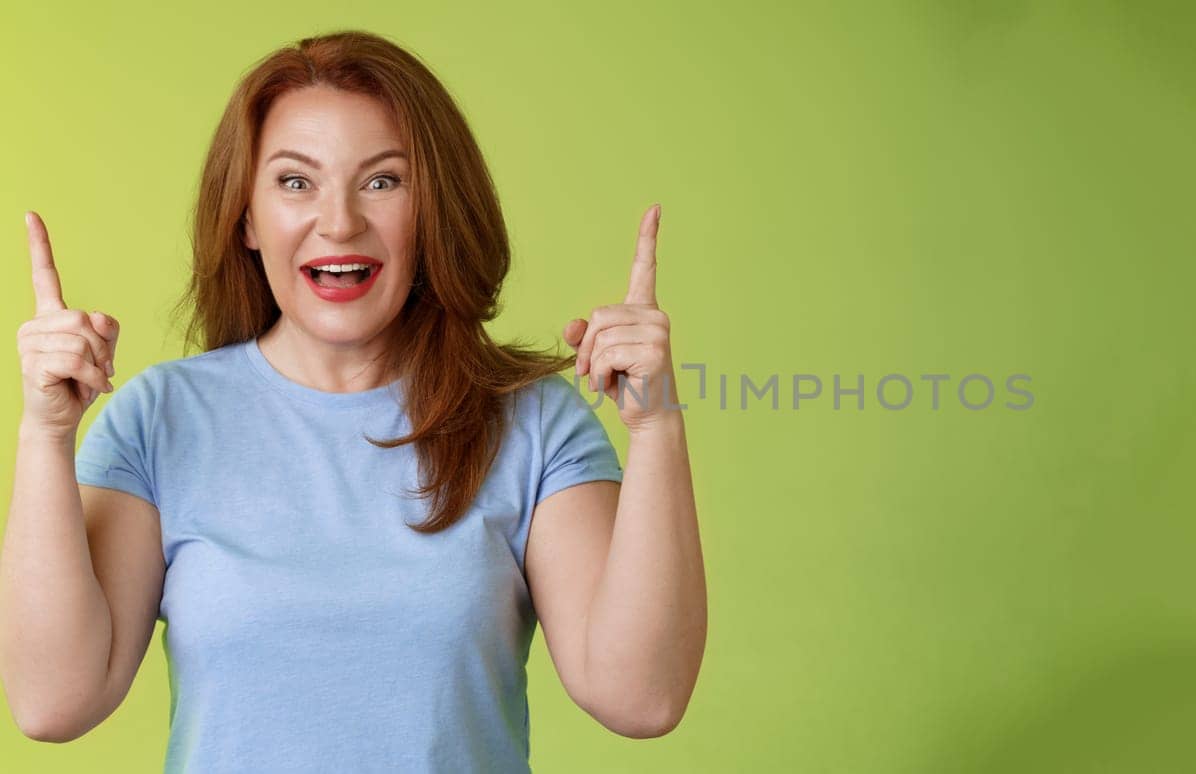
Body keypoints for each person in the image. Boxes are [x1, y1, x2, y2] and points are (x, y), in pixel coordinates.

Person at [0, 30, 706, 772]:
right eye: (295, 182)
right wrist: (46, 434)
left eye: (382, 181)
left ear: (431, 209)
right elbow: (53, 703)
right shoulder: (159, 420)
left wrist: (656, 426)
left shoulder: (531, 420)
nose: (338, 222)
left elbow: (642, 697)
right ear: (246, 217)